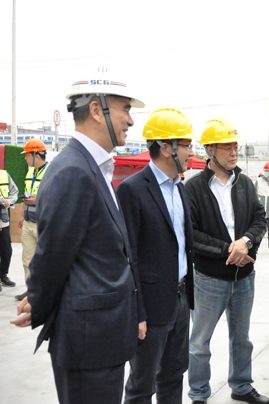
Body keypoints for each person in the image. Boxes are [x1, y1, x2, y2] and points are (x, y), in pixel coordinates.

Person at [11, 73, 146, 404]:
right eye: (125, 109)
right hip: (89, 343)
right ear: (97, 110)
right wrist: (38, 301)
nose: (131, 120)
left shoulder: (91, 167)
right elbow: (53, 255)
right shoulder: (74, 170)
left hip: (101, 339)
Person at [185, 117, 269, 404]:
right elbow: (191, 234)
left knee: (242, 339)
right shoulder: (193, 188)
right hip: (209, 280)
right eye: (227, 147)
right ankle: (199, 394)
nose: (234, 153)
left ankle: (241, 386)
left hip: (244, 278)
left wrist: (246, 242)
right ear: (209, 150)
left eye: (236, 147)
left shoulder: (244, 183)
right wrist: (227, 250)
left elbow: (259, 219)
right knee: (199, 343)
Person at [117, 107, 196, 404]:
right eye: (186, 145)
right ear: (165, 147)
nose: (191, 152)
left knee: (174, 375)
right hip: (150, 308)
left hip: (180, 301)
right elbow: (128, 257)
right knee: (142, 385)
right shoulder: (132, 190)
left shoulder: (180, 188)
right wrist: (137, 312)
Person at [14, 139, 49, 301]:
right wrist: (22, 215)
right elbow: (26, 195)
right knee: (27, 259)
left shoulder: (51, 171)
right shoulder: (29, 173)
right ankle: (30, 291)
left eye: (27, 155)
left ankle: (45, 292)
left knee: (45, 260)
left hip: (43, 223)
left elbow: (58, 196)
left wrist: (38, 199)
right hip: (28, 222)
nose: (25, 158)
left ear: (37, 155)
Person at [0, 168, 19, 292]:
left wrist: (9, 201)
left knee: (6, 250)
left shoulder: (3, 174)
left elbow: (14, 191)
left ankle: (3, 275)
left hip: (3, 220)